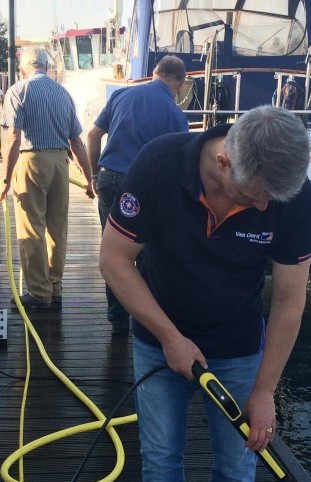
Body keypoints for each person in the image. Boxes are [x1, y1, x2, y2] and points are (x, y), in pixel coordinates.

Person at [98, 106, 311, 482]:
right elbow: (114, 258)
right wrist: (170, 337)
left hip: (239, 342)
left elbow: (289, 301)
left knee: (239, 460)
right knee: (160, 455)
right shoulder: (157, 165)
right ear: (223, 161)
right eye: (256, 194)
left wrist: (265, 391)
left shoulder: (291, 197)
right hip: (159, 335)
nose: (265, 205)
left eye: (272, 197)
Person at [86, 55, 189, 335]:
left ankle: (117, 320)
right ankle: (143, 321)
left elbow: (93, 135)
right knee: (146, 254)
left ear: (155, 72)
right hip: (145, 188)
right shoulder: (175, 114)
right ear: (179, 82)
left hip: (109, 179)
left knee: (113, 253)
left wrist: (93, 175)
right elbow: (182, 162)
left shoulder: (120, 95)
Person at [0, 46, 94, 310]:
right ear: (47, 67)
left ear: (23, 69)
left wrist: (5, 179)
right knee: (56, 228)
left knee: (32, 228)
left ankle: (39, 293)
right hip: (61, 163)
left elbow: (14, 138)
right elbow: (77, 142)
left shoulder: (18, 91)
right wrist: (89, 179)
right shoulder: (63, 93)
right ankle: (56, 287)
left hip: (32, 161)